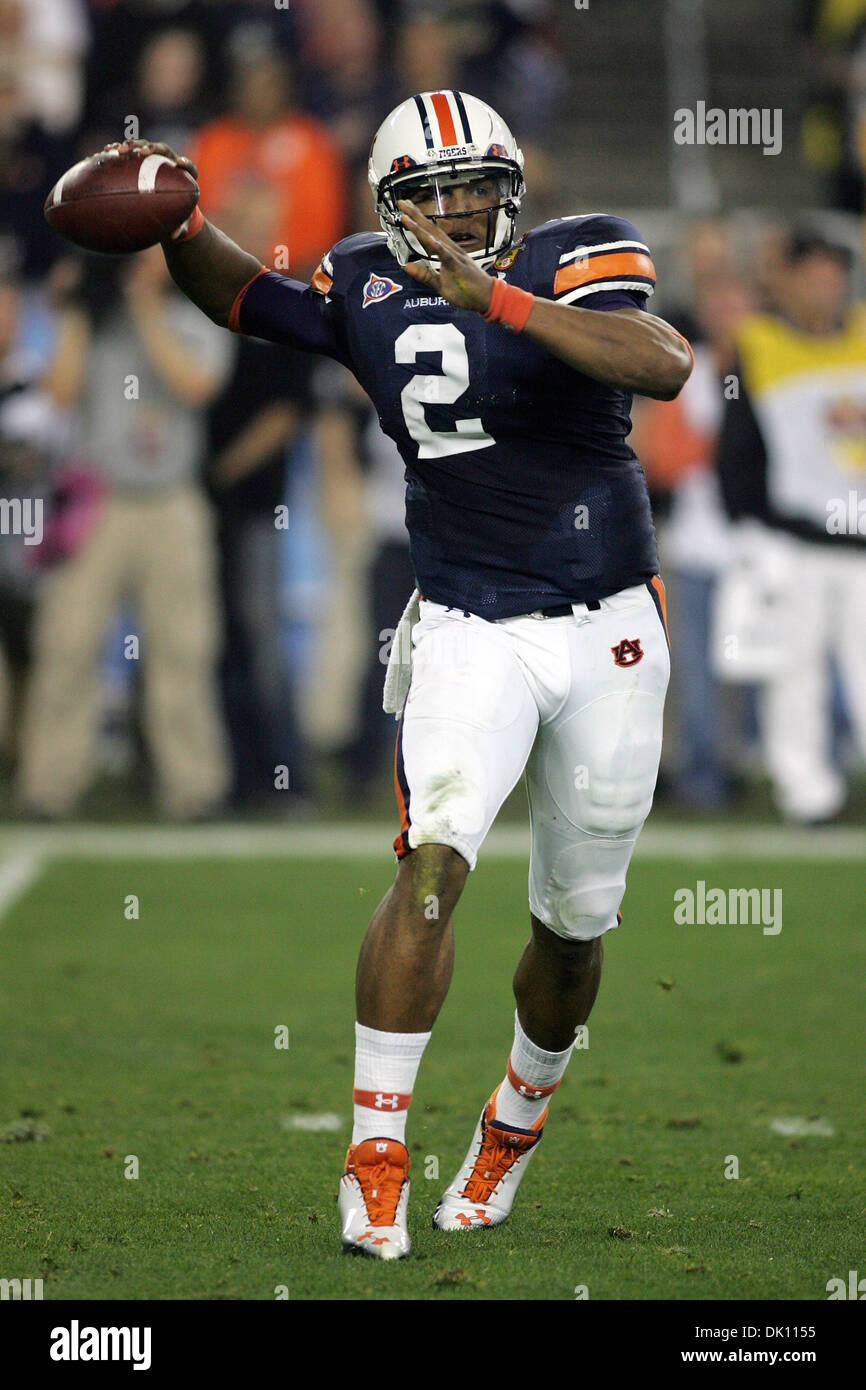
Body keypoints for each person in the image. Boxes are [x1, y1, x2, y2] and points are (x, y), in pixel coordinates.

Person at [107, 87, 692, 1260]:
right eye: (432, 195)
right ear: (389, 204)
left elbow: (661, 363)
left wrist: (502, 301)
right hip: (469, 619)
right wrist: (174, 223)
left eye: (476, 188)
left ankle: (510, 1124)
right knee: (433, 861)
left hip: (608, 623)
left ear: (513, 185)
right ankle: (374, 1153)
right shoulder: (366, 278)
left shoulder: (581, 251)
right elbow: (246, 298)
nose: (459, 211)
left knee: (572, 930)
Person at [715, 227, 866, 824]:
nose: (827, 289)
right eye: (816, 277)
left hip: (861, 541)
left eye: (836, 277)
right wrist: (748, 522)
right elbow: (736, 445)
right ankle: (807, 794)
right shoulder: (757, 342)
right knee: (793, 673)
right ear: (791, 282)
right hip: (794, 540)